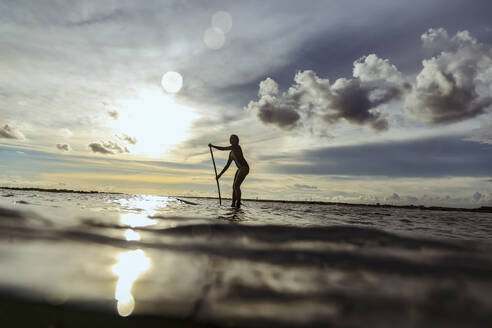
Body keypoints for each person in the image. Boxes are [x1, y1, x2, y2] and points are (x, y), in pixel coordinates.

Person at [209, 135, 249, 208]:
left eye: (233, 139)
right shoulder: (231, 153)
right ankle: (233, 204)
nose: (231, 140)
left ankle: (238, 203)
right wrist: (220, 175)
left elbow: (223, 148)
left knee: (236, 185)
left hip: (244, 168)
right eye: (231, 139)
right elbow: (227, 166)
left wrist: (213, 146)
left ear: (237, 140)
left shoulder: (237, 147)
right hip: (240, 169)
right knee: (233, 187)